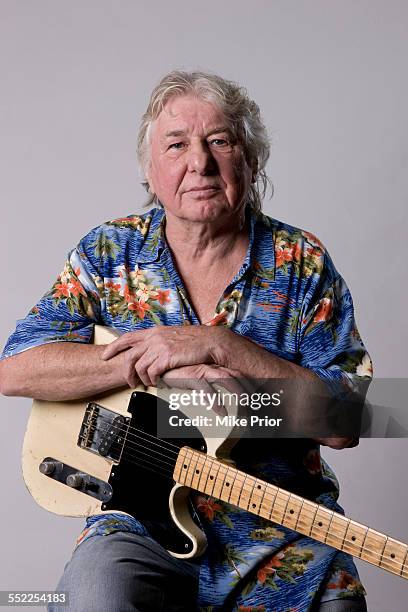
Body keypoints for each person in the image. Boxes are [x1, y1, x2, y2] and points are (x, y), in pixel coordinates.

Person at [0, 70, 372, 612]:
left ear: (251, 160)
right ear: (151, 171)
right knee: (92, 599)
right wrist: (153, 367)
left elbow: (352, 421)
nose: (199, 162)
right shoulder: (110, 252)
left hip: (283, 529)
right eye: (177, 145)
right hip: (137, 526)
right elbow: (16, 370)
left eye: (219, 141)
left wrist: (220, 345)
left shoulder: (302, 261)